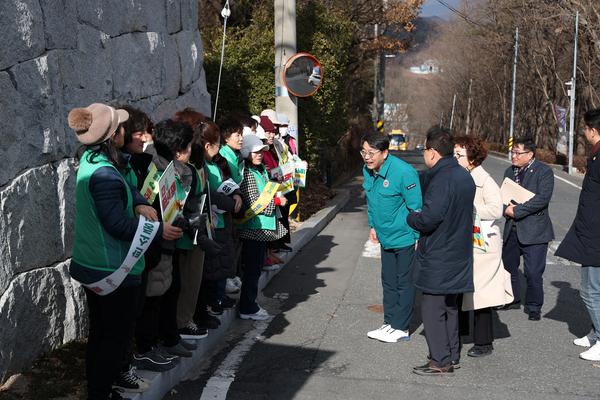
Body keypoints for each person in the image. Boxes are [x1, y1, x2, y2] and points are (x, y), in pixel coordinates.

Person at [67, 103, 182, 400]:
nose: (125, 130)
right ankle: (101, 391)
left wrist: (139, 201)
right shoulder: (104, 175)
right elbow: (118, 225)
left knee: (103, 334)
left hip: (98, 263)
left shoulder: (96, 161)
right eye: (120, 127)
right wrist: (159, 230)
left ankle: (102, 387)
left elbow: (124, 186)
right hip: (112, 268)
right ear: (113, 136)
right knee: (112, 337)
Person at [407, 126, 475, 376]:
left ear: (433, 153)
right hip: (459, 251)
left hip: (439, 253)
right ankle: (451, 353)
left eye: (425, 150)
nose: (424, 155)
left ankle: (440, 360)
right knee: (450, 307)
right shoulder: (463, 175)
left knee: (432, 309)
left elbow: (429, 219)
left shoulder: (442, 179)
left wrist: (412, 217)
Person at [454, 136, 514, 358]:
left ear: (472, 158)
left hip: (483, 242)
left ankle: (483, 342)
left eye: (459, 154)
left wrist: (469, 206)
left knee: (482, 294)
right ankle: (459, 332)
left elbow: (496, 210)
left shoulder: (485, 180)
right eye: (454, 153)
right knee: (460, 289)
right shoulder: (460, 175)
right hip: (463, 239)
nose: (455, 157)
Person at [361, 132, 422, 343]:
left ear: (385, 153)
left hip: (404, 236)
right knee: (388, 281)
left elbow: (416, 208)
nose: (367, 157)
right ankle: (389, 322)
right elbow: (371, 201)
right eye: (364, 152)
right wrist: (373, 226)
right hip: (385, 235)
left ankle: (401, 327)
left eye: (371, 153)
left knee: (403, 282)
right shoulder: (369, 171)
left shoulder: (404, 173)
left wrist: (416, 237)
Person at [556, 108, 600, 361]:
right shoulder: (595, 155)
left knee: (590, 290)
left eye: (585, 128)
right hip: (590, 231)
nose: (583, 132)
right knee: (594, 288)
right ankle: (595, 333)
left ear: (593, 130)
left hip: (596, 235)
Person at [499, 136, 554, 321]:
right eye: (512, 152)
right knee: (508, 266)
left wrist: (518, 211)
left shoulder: (544, 171)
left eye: (517, 153)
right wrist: (504, 208)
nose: (513, 156)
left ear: (530, 154)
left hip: (535, 229)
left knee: (533, 272)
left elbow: (542, 199)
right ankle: (512, 298)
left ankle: (534, 306)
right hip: (512, 228)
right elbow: (502, 195)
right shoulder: (509, 171)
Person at [237, 134, 288, 320]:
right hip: (253, 228)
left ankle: (250, 304)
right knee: (252, 270)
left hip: (260, 228)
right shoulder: (248, 174)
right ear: (246, 153)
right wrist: (277, 201)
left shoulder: (260, 171)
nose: (260, 154)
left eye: (261, 151)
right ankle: (248, 307)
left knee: (255, 268)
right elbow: (253, 203)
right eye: (255, 151)